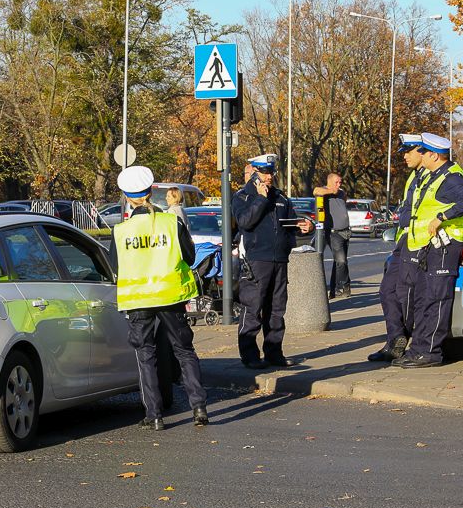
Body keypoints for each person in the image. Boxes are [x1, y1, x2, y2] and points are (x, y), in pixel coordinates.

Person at [107, 165, 209, 431]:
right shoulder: (171, 222)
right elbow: (189, 256)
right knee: (185, 351)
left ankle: (153, 415)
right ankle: (198, 407)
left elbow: (114, 267)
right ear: (152, 192)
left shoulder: (121, 231)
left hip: (139, 300)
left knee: (146, 356)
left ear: (127, 197)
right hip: (171, 296)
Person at [392, 133, 463, 369]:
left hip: (445, 246)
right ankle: (418, 349)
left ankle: (430, 352)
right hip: (428, 246)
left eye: (424, 152)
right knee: (424, 299)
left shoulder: (450, 178)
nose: (420, 155)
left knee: (437, 299)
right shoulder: (433, 176)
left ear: (433, 155)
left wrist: (443, 217)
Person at [232, 153, 313, 369]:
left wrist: (305, 226)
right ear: (255, 172)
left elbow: (290, 223)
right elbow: (245, 222)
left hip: (279, 260)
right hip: (257, 260)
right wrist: (260, 198)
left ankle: (274, 353)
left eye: (271, 172)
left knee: (276, 309)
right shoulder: (243, 197)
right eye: (265, 173)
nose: (269, 177)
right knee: (253, 308)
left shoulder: (281, 198)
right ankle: (249, 355)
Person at [369, 134, 426, 363]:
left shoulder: (438, 176)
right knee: (387, 291)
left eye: (408, 151)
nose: (404, 156)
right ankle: (395, 340)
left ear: (423, 151)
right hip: (404, 242)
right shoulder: (414, 175)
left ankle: (417, 345)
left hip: (422, 245)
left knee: (410, 297)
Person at [313, 172, 352, 298]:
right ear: (329, 182)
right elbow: (315, 191)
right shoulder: (324, 191)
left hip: (345, 232)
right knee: (341, 261)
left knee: (339, 262)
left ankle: (334, 290)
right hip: (333, 233)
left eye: (340, 182)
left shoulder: (341, 193)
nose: (339, 185)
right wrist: (330, 191)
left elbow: (344, 197)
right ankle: (343, 286)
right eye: (336, 182)